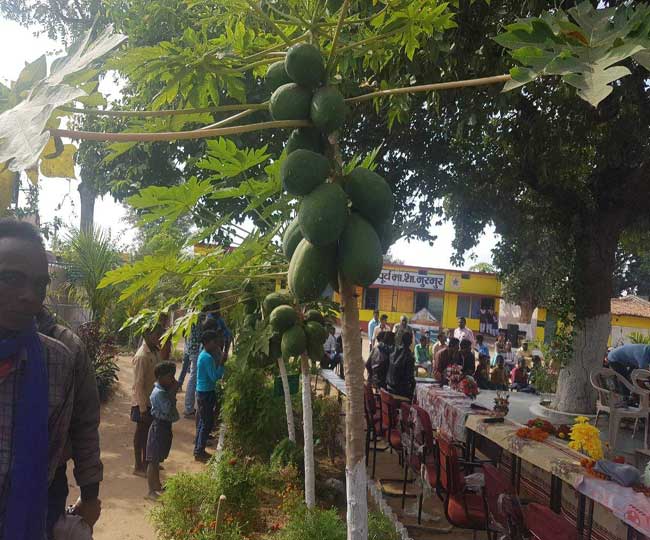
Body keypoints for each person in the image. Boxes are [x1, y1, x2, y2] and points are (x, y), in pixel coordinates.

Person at [0, 219, 79, 539]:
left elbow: (48, 462)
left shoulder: (56, 363)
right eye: (11, 279)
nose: (30, 296)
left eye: (39, 285)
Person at [37, 309, 103, 533]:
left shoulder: (67, 349)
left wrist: (89, 497)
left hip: (47, 484)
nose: (24, 295)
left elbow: (84, 425)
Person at [131, 324, 163, 477]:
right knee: (141, 434)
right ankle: (138, 465)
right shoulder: (141, 356)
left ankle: (147, 462)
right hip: (142, 402)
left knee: (150, 434)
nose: (159, 337)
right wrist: (143, 408)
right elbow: (138, 384)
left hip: (152, 400)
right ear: (147, 335)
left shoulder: (155, 351)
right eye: (156, 334)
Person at [146, 361, 180, 500]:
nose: (173, 380)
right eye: (170, 377)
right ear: (160, 377)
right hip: (158, 428)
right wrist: (173, 392)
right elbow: (167, 409)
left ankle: (157, 485)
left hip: (164, 428)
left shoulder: (163, 391)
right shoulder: (159, 393)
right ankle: (150, 491)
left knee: (157, 460)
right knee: (152, 461)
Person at [194, 330, 225, 462]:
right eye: (214, 341)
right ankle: (199, 451)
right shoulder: (207, 358)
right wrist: (222, 364)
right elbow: (214, 377)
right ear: (208, 342)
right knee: (206, 423)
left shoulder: (204, 355)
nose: (216, 344)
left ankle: (198, 449)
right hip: (206, 392)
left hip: (203, 391)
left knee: (203, 422)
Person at [386, 333, 416, 399]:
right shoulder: (409, 356)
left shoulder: (394, 351)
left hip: (388, 386)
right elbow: (410, 377)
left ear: (402, 341)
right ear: (411, 342)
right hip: (399, 390)